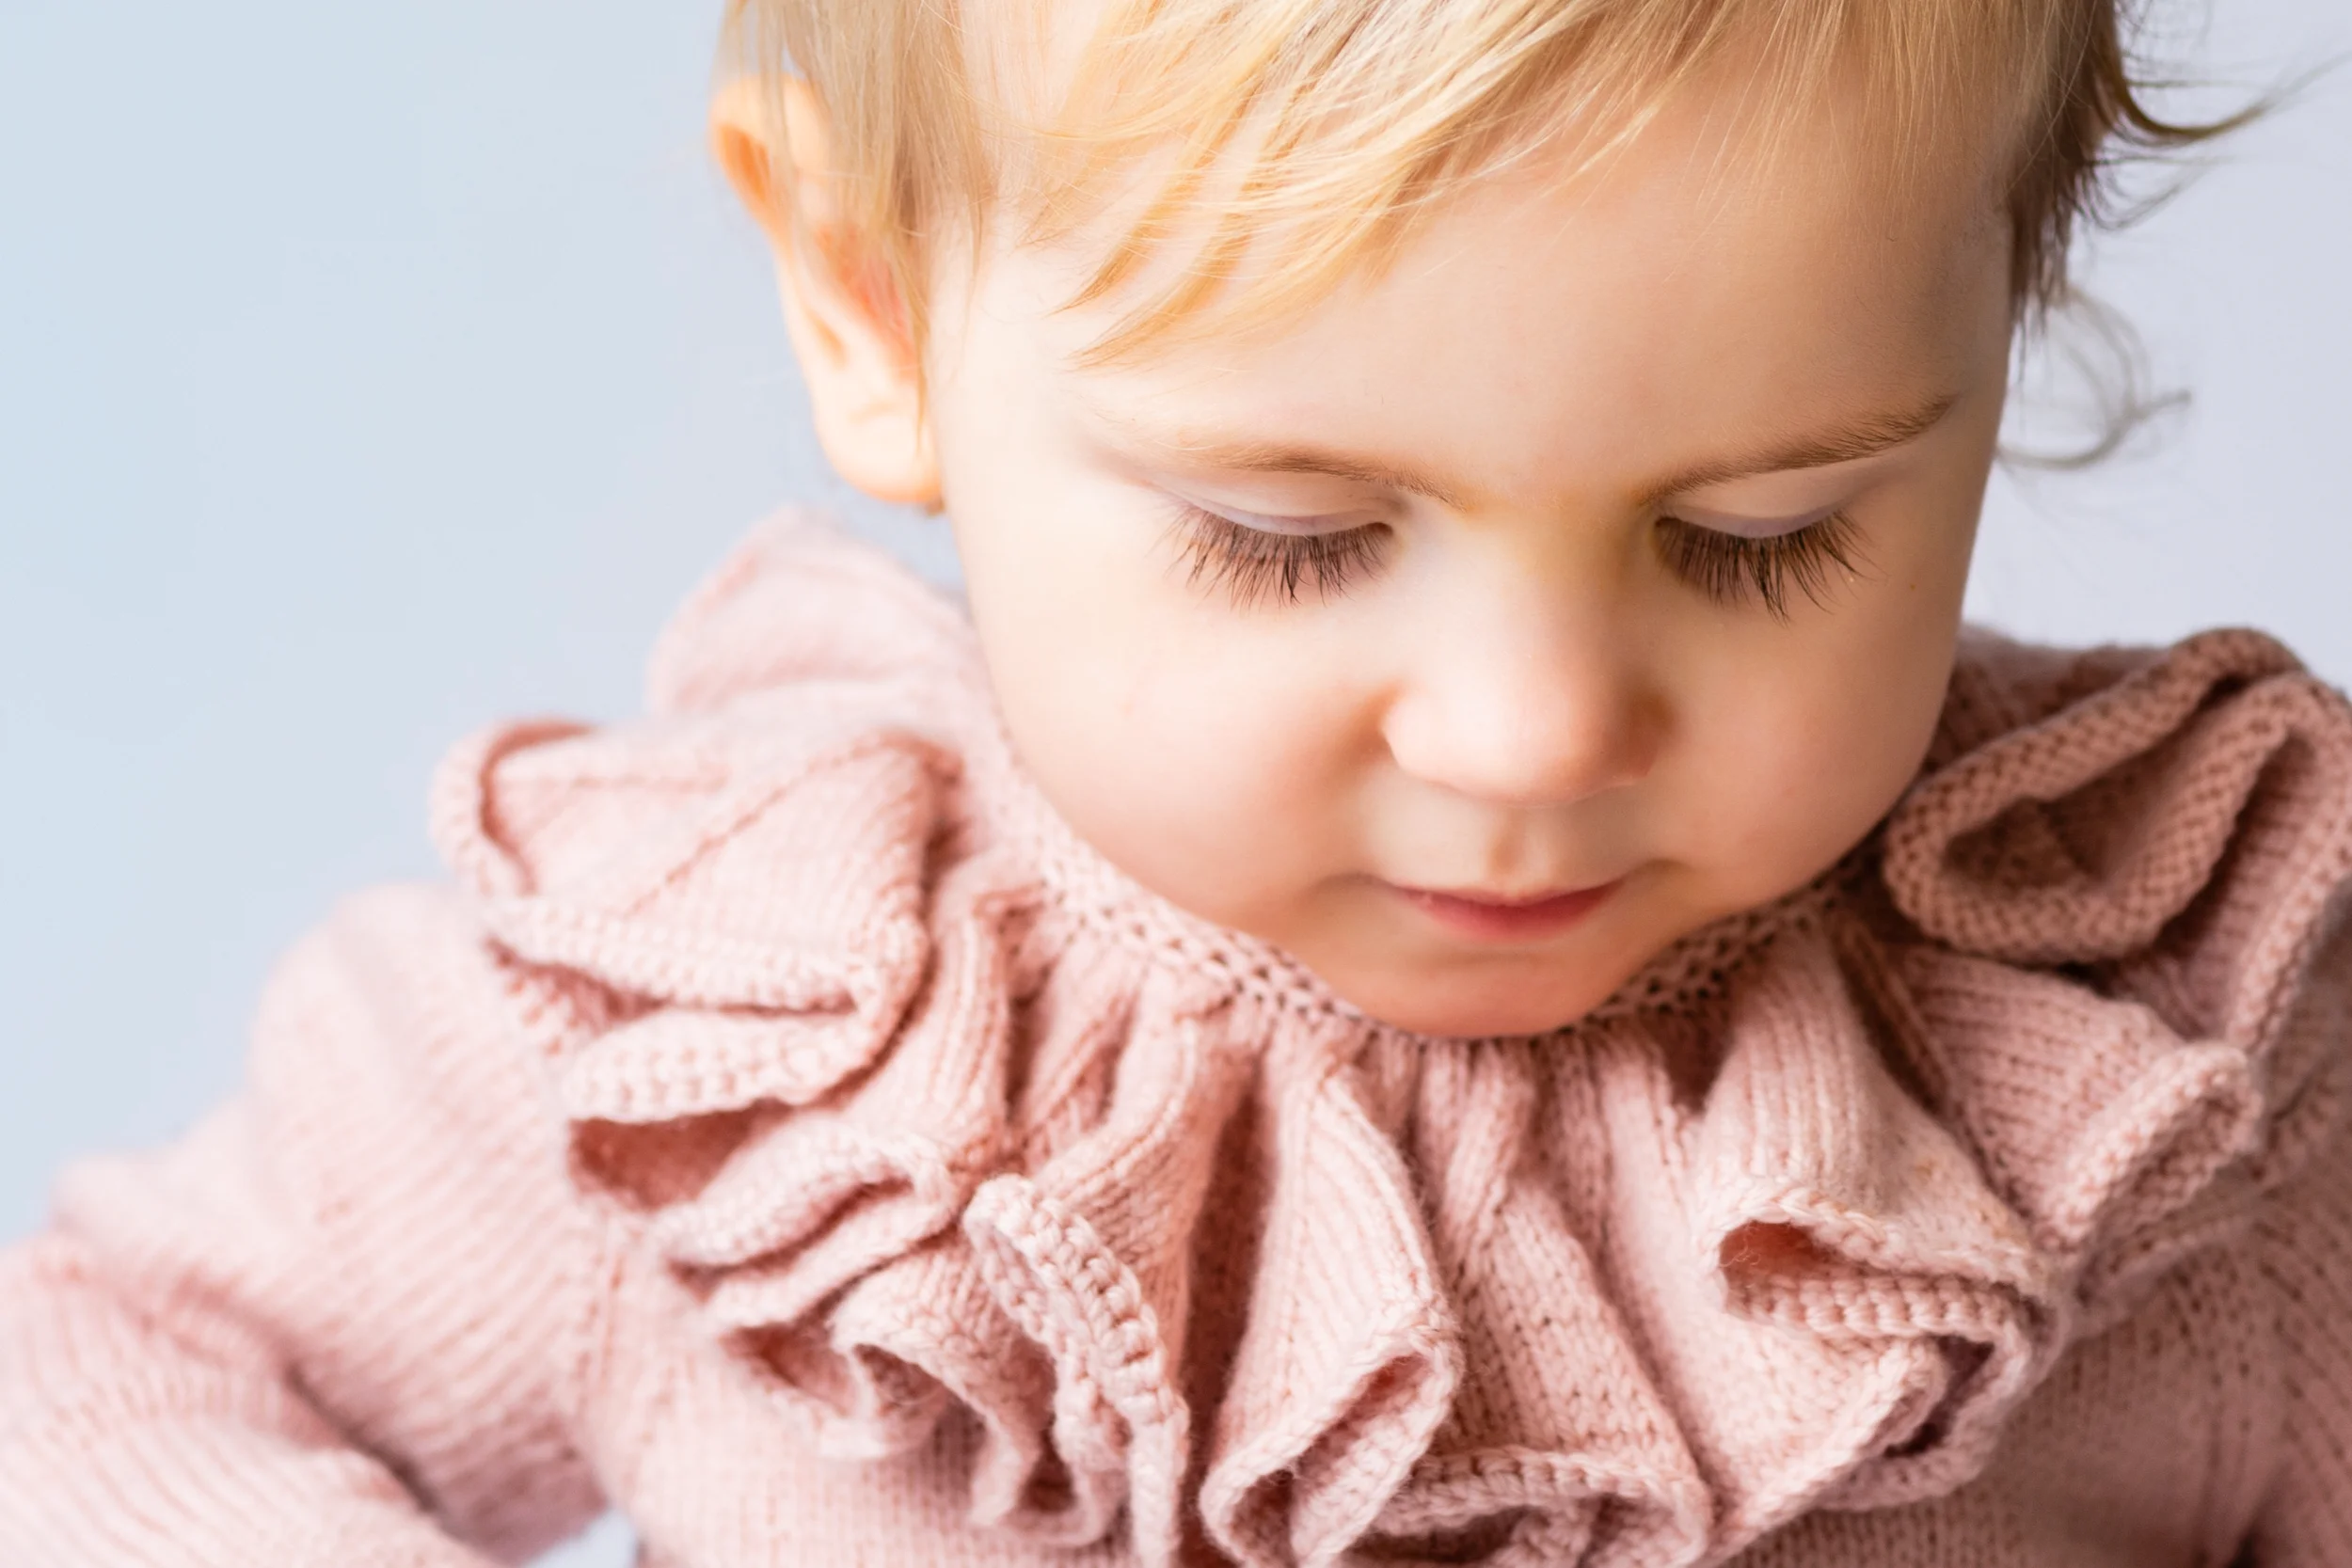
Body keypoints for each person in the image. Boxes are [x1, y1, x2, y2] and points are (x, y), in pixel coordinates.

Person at [5, 0, 2349, 1562]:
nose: (1527, 729)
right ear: (868, 309)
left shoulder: (2173, 1075)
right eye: (1292, 534)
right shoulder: (721, 1063)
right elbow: (84, 1377)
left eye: (1759, 538)